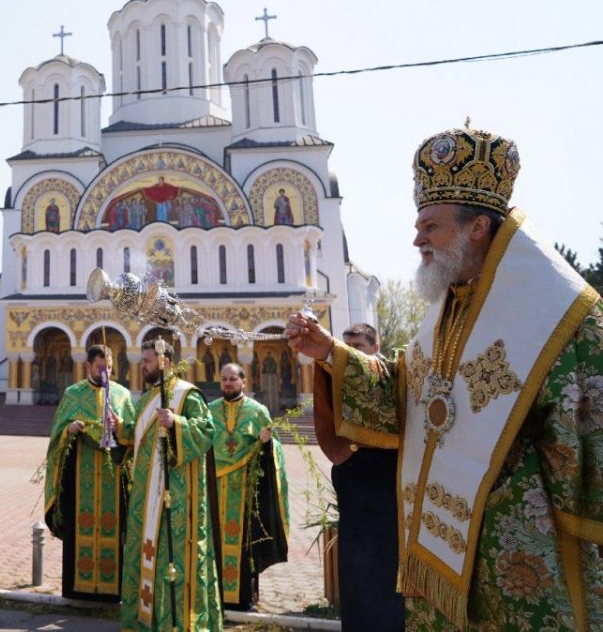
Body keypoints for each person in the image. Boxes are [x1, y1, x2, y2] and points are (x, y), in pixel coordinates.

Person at [287, 127, 603, 631]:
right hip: (445, 545)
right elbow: (407, 395)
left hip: (519, 552)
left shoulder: (560, 316)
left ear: (478, 227)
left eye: (430, 225)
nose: (417, 239)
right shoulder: (451, 308)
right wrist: (330, 351)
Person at [118, 340, 223, 631]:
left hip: (175, 495)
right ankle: (146, 620)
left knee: (169, 557)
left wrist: (176, 422)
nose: (143, 365)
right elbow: (137, 436)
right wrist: (119, 428)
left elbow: (206, 430)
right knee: (148, 553)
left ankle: (174, 621)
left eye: (148, 361)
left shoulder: (186, 394)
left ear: (164, 362)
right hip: (144, 496)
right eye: (143, 360)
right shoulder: (148, 397)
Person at [312, 323, 405, 632]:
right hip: (352, 475)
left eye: (358, 348)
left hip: (385, 477)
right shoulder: (338, 372)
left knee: (384, 567)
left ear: (375, 348)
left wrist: (332, 353)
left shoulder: (389, 374)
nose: (350, 354)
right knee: (354, 566)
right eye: (346, 347)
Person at [43, 344, 135, 601]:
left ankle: (109, 591)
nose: (105, 371)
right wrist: (69, 430)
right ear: (88, 367)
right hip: (79, 478)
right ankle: (78, 589)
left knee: (114, 529)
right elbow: (56, 438)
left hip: (113, 478)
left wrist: (120, 428)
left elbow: (134, 436)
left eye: (108, 366)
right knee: (79, 528)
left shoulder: (122, 395)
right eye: (99, 367)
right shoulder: (73, 394)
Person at [209, 363, 290, 611]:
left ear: (244, 381)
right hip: (214, 489)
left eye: (233, 379)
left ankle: (243, 597)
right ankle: (214, 596)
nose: (228, 383)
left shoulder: (258, 411)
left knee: (244, 544)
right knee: (213, 542)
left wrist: (266, 444)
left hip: (245, 490)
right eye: (224, 379)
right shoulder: (209, 411)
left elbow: (275, 450)